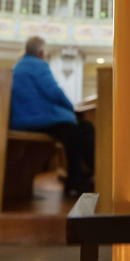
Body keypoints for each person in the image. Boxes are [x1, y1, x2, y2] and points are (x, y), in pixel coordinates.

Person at [10, 36, 94, 198]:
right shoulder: (37, 65)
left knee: (77, 132)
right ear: (41, 52)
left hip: (23, 119)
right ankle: (79, 181)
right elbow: (53, 92)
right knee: (80, 132)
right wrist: (72, 109)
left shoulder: (19, 66)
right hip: (38, 120)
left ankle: (80, 178)